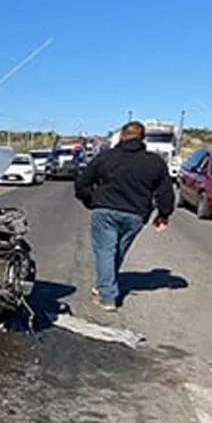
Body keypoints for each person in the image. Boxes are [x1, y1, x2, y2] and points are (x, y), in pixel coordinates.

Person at [73, 121, 174, 311]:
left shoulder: (106, 158)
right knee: (116, 252)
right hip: (135, 215)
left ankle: (107, 296)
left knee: (105, 252)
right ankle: (104, 285)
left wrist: (91, 200)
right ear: (143, 139)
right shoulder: (154, 162)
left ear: (121, 136)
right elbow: (166, 193)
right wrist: (163, 214)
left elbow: (82, 184)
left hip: (105, 211)